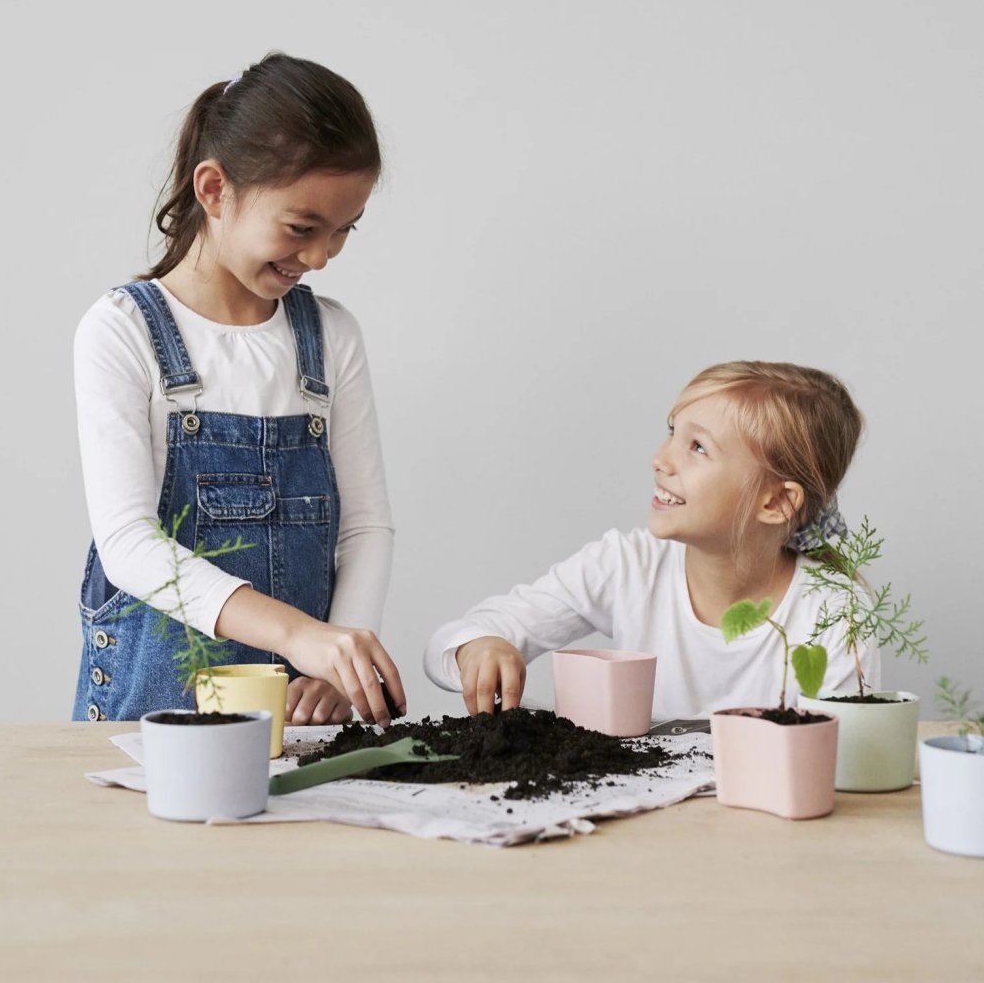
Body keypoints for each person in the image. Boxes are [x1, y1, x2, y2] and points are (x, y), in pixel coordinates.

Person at [73, 53, 405, 728]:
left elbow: (366, 526)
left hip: (298, 721)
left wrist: (336, 661)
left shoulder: (331, 337)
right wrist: (299, 635)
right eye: (302, 228)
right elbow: (128, 545)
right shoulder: (122, 330)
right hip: (152, 723)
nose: (320, 257)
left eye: (343, 230)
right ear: (215, 189)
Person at [424, 361, 881, 720]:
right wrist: (479, 646)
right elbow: (449, 642)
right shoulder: (628, 565)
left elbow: (841, 757)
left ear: (777, 502)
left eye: (698, 447)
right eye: (672, 433)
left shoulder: (835, 610)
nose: (660, 460)